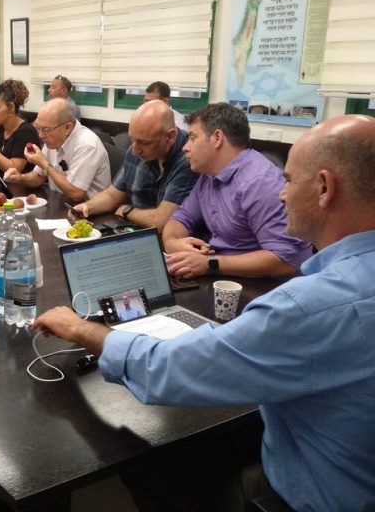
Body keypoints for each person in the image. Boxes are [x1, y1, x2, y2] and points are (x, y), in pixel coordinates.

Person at [33, 114, 375, 512]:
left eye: (288, 180)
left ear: (324, 188)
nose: (281, 195)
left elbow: (168, 369)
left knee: (153, 462)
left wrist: (82, 329)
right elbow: (176, 222)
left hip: (322, 495)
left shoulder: (309, 307)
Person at [163, 103, 312, 279]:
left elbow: (285, 260)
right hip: (225, 275)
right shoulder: (209, 175)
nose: (185, 147)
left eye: (193, 138)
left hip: (268, 285)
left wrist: (210, 264)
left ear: (217, 138)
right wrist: (173, 243)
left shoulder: (260, 183)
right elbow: (182, 218)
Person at [70, 100, 198, 231]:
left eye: (144, 143)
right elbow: (112, 195)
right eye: (132, 139)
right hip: (135, 232)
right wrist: (87, 207)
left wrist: (128, 211)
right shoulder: (136, 150)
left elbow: (161, 222)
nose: (135, 150)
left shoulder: (190, 158)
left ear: (170, 137)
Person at [3, 98, 110, 203]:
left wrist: (45, 165)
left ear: (67, 128)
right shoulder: (53, 139)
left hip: (88, 209)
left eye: (46, 129)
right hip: (60, 201)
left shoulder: (87, 145)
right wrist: (20, 178)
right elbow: (38, 176)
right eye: (38, 128)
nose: (40, 135)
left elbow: (76, 193)